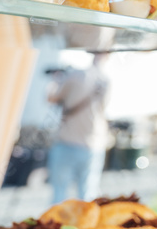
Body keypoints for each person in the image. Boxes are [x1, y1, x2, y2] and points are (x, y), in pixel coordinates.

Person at [46, 52, 111, 204]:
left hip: (67, 142)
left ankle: (57, 227)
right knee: (87, 194)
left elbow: (51, 98)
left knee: (59, 194)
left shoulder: (75, 76)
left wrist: (55, 80)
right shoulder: (106, 81)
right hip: (93, 144)